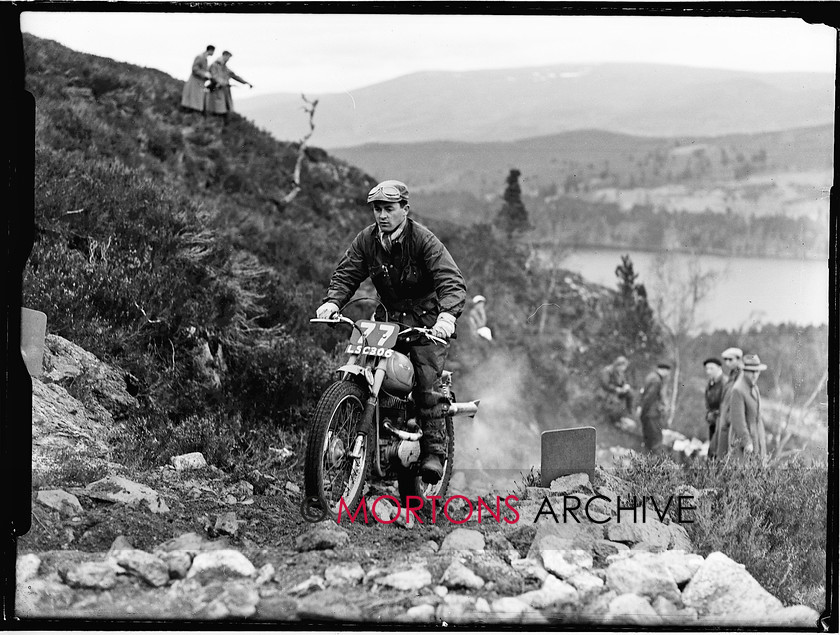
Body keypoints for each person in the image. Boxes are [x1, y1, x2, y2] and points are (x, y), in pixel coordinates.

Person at [316, 180, 467, 484]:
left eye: (388, 209)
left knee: (427, 383)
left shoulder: (424, 240)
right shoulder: (367, 240)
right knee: (362, 367)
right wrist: (333, 302)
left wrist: (447, 317)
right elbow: (347, 273)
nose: (382, 215)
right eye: (377, 209)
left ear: (404, 209)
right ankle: (362, 438)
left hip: (426, 322)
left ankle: (435, 452)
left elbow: (451, 281)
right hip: (387, 320)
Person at [727, 353, 768, 460]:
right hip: (743, 441)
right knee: (743, 472)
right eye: (751, 371)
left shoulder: (754, 387)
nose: (755, 375)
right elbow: (738, 421)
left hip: (756, 437)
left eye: (757, 371)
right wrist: (747, 442)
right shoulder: (738, 389)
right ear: (744, 371)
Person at [206, 51, 253, 122]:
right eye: (228, 57)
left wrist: (245, 82)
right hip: (217, 90)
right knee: (216, 110)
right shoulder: (215, 65)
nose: (228, 59)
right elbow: (214, 76)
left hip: (224, 91)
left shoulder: (225, 67)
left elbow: (234, 76)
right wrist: (224, 82)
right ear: (224, 55)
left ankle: (223, 126)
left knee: (224, 110)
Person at [715, 347, 743, 458]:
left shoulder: (741, 376)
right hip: (725, 417)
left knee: (731, 453)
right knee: (721, 451)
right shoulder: (732, 375)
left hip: (732, 418)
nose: (727, 363)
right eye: (725, 360)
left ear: (738, 359)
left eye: (730, 360)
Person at [639, 361, 671, 454]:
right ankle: (656, 463)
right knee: (656, 439)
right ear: (663, 370)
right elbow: (649, 397)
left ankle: (647, 462)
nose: (668, 374)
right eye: (667, 371)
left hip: (648, 412)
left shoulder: (651, 377)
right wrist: (644, 411)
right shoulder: (656, 380)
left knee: (648, 438)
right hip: (652, 413)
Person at [599, 356, 634, 429]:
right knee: (614, 402)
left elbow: (623, 381)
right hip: (608, 391)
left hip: (618, 391)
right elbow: (605, 384)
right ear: (618, 365)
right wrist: (616, 389)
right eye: (621, 367)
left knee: (630, 393)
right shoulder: (607, 371)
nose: (623, 369)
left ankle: (628, 412)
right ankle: (613, 420)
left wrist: (625, 386)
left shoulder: (619, 372)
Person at [181, 45, 215, 112]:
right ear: (210, 50)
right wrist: (205, 74)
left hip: (199, 82)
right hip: (195, 82)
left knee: (195, 102)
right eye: (213, 51)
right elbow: (194, 69)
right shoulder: (200, 57)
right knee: (192, 102)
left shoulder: (204, 58)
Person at [702, 357, 725, 459]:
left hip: (721, 422)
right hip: (713, 421)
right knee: (712, 450)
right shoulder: (710, 383)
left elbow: (725, 404)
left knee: (718, 451)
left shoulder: (725, 383)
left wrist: (715, 414)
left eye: (711, 368)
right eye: (707, 369)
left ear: (719, 368)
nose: (708, 371)